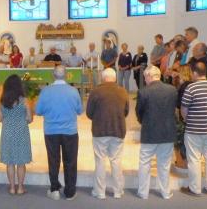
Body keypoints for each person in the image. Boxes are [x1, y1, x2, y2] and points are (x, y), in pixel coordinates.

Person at [35, 65, 82, 201]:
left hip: (51, 131)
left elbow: (38, 111)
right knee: (70, 161)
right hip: (70, 132)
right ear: (66, 75)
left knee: (53, 160)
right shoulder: (73, 91)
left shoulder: (45, 91)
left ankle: (54, 189)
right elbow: (79, 111)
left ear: (53, 75)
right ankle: (70, 192)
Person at [180, 62, 207, 196]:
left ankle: (195, 188)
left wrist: (187, 120)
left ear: (195, 73)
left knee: (194, 158)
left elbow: (184, 110)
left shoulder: (191, 88)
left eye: (192, 72)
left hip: (194, 130)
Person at [86, 68, 129, 200]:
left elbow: (89, 113)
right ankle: (118, 191)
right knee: (116, 161)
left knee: (100, 161)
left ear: (103, 78)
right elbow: (126, 112)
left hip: (100, 130)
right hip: (118, 129)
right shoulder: (122, 91)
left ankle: (100, 192)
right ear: (115, 78)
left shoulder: (96, 91)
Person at [136, 66, 177, 200]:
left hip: (149, 132)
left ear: (148, 76)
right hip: (167, 132)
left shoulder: (143, 92)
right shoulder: (172, 90)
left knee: (144, 163)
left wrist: (144, 121)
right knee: (164, 164)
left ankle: (143, 193)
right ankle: (165, 192)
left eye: (145, 77)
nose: (144, 80)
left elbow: (139, 113)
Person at [0, 75, 33, 195]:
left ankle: (12, 188)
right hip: (21, 133)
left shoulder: (2, 101)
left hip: (7, 132)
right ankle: (20, 188)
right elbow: (29, 119)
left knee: (10, 162)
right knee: (21, 162)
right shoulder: (24, 101)